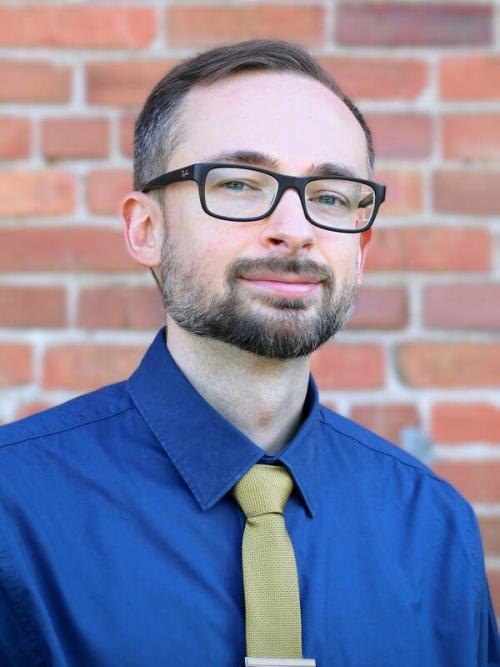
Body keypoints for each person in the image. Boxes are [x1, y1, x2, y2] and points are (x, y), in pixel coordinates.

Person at [0, 39, 498, 667]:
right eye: (237, 183)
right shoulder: (11, 509)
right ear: (145, 229)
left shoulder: (433, 528)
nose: (296, 227)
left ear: (362, 250)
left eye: (332, 196)